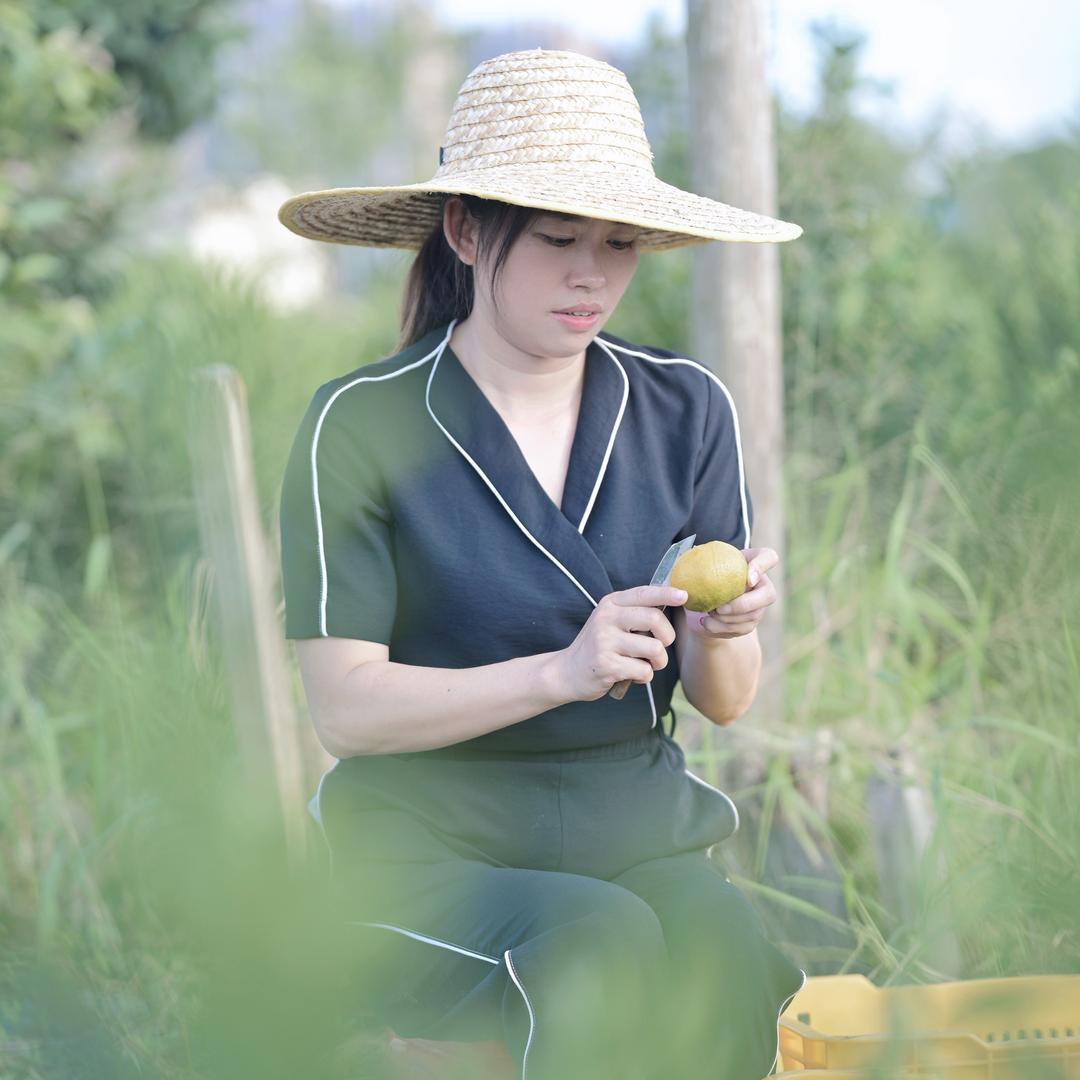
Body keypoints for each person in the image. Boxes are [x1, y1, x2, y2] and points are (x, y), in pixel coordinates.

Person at [277, 47, 806, 1080]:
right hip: (430, 849)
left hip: (632, 829)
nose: (591, 274)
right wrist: (561, 672)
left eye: (620, 243)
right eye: (559, 237)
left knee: (722, 953)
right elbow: (344, 709)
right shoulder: (364, 422)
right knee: (592, 945)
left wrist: (724, 632)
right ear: (467, 231)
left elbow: (726, 703)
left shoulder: (685, 407)